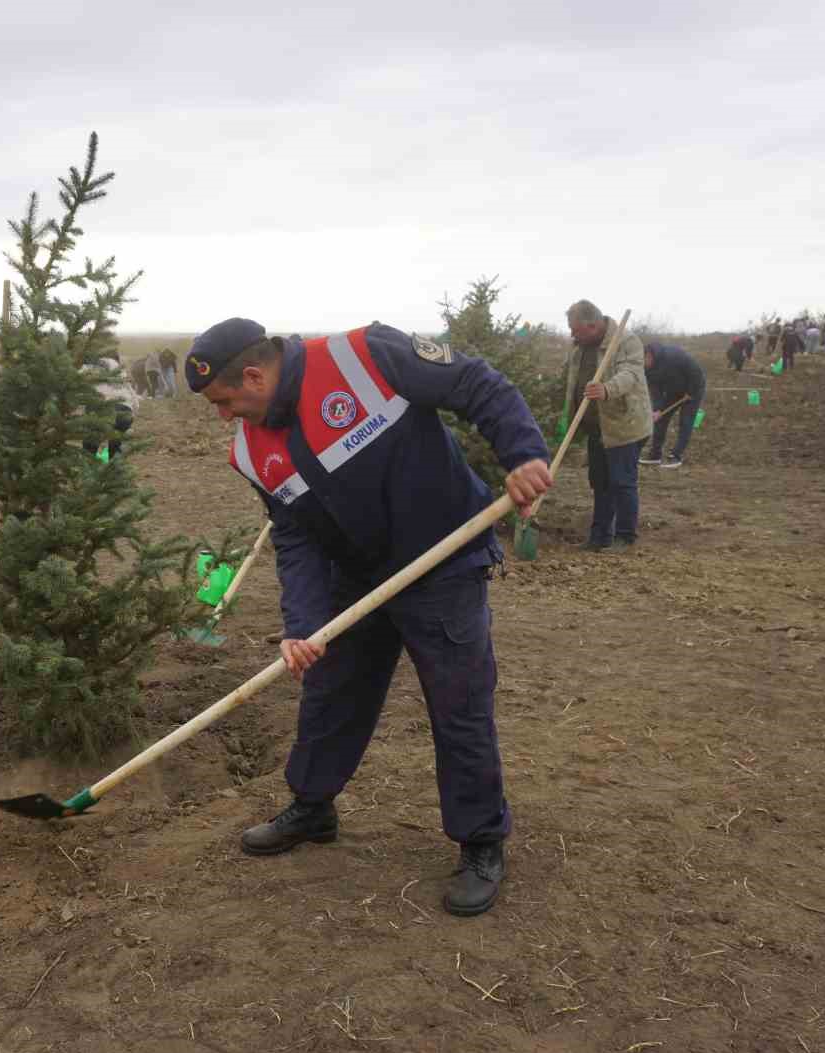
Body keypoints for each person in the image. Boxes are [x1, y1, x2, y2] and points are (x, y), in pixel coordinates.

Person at [189, 316, 551, 917]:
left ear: (254, 374)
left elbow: (477, 385)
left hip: (443, 562)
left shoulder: (364, 356)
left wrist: (523, 455)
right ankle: (312, 807)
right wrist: (302, 623)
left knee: (458, 706)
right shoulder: (251, 452)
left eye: (225, 401)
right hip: (355, 580)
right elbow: (294, 536)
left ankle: (481, 842)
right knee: (331, 695)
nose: (223, 416)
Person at [564, 300, 650, 551]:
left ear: (592, 326)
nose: (572, 334)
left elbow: (631, 375)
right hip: (595, 425)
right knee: (599, 481)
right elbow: (569, 378)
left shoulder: (625, 341)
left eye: (575, 329)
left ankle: (625, 537)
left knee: (622, 482)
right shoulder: (580, 346)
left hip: (624, 425)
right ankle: (599, 535)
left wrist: (607, 389)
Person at [641, 342, 707, 468]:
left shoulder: (673, 355)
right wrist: (657, 409)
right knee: (661, 419)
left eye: (644, 361)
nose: (643, 365)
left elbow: (695, 371)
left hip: (694, 388)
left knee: (685, 421)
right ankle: (655, 455)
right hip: (673, 390)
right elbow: (655, 390)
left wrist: (691, 392)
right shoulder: (647, 369)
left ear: (649, 355)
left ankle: (676, 455)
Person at [83, 353, 138, 460]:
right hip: (125, 408)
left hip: (99, 408)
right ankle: (113, 463)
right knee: (116, 439)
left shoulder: (89, 366)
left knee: (90, 444)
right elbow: (134, 399)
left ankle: (89, 464)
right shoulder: (119, 369)